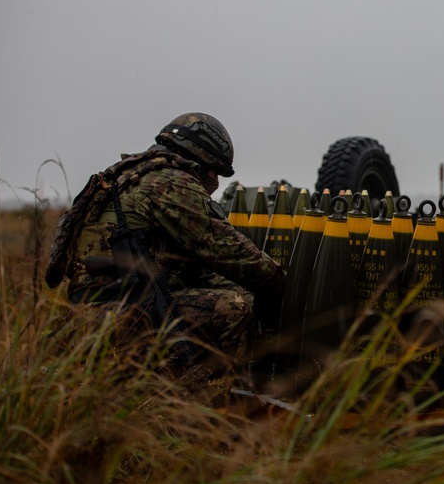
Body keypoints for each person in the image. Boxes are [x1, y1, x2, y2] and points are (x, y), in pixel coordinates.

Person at [46, 112, 284, 377]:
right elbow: (230, 251)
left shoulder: (125, 177)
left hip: (90, 318)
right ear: (201, 160)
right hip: (122, 321)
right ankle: (201, 402)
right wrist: (281, 281)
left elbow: (197, 269)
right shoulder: (171, 183)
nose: (215, 182)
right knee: (234, 308)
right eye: (215, 171)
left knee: (235, 294)